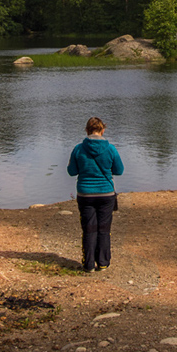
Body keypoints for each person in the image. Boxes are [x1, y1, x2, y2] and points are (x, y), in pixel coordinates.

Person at [67, 116, 123, 273]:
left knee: (89, 229)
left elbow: (71, 172)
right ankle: (103, 263)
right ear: (103, 130)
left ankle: (88, 264)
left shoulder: (78, 149)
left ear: (86, 131)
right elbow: (119, 170)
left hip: (85, 195)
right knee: (104, 229)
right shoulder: (111, 149)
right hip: (106, 194)